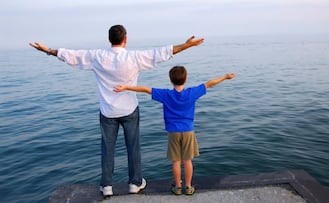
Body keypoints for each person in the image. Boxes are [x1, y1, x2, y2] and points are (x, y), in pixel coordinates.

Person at [29, 25, 204, 197]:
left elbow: (71, 55)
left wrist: (48, 50)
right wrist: (187, 45)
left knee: (108, 149)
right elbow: (162, 53)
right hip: (129, 110)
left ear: (109, 39)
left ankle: (106, 186)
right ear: (125, 39)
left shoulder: (97, 56)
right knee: (133, 147)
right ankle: (135, 184)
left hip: (107, 112)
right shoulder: (133, 57)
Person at [113, 66, 235, 195]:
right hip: (188, 131)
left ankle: (177, 187)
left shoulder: (166, 95)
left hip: (173, 132)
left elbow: (145, 89)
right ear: (186, 79)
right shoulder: (191, 93)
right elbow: (209, 84)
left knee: (176, 161)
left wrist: (126, 87)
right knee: (188, 161)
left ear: (170, 80)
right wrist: (225, 77)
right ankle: (188, 187)